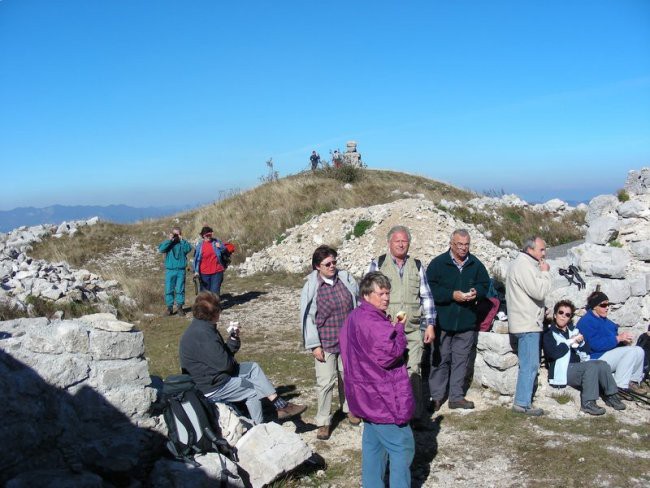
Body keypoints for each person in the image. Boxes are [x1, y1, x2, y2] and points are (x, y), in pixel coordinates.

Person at [179, 292, 307, 425]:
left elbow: (222, 356)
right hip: (211, 386)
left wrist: (233, 339)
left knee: (253, 368)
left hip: (214, 375)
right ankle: (259, 427)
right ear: (214, 313)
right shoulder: (204, 335)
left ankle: (280, 405)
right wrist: (230, 352)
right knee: (252, 390)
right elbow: (225, 364)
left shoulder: (202, 327)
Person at [340, 272, 415, 488]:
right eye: (381, 293)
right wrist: (399, 329)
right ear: (367, 294)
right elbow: (390, 354)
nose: (386, 298)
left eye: (388, 293)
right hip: (383, 397)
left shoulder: (354, 317)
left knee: (373, 447)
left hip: (363, 395)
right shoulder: (373, 322)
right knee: (403, 446)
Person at [368, 225, 436, 428]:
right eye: (397, 240)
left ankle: (415, 415)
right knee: (387, 371)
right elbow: (366, 296)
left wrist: (430, 324)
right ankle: (388, 411)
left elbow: (426, 297)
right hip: (386, 332)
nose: (400, 243)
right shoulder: (378, 264)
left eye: (404, 240)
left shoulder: (417, 265)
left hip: (413, 329)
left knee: (413, 370)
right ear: (389, 243)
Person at [426, 229, 489, 412]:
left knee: (461, 360)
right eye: (459, 244)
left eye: (466, 244)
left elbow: (485, 284)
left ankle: (456, 397)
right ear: (451, 244)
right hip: (443, 321)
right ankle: (436, 397)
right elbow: (430, 290)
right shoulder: (438, 264)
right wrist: (452, 295)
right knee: (440, 359)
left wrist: (477, 292)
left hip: (466, 321)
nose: (463, 248)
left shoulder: (476, 264)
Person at [300, 245, 359, 440]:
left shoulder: (345, 279)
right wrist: (314, 345)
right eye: (327, 263)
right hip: (325, 342)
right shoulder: (312, 287)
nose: (332, 266)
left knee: (348, 377)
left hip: (347, 341)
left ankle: (350, 409)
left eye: (334, 262)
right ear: (317, 266)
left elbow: (357, 304)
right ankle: (323, 422)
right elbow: (308, 317)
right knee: (325, 383)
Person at [542, 300, 626, 415]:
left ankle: (611, 395)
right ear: (555, 314)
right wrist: (570, 342)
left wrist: (581, 343)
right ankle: (588, 403)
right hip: (562, 369)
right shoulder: (549, 333)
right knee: (590, 367)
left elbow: (587, 350)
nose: (563, 316)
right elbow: (553, 353)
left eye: (567, 314)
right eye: (561, 313)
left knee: (601, 364)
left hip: (577, 366)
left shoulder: (573, 331)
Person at [505, 236, 552, 416]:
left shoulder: (522, 264)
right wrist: (546, 272)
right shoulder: (523, 265)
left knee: (529, 363)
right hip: (527, 323)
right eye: (541, 249)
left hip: (525, 321)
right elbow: (539, 291)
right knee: (530, 364)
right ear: (530, 249)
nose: (544, 253)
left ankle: (523, 401)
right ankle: (522, 403)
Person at [576, 291, 645, 393]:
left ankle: (633, 381)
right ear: (594, 306)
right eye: (603, 305)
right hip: (595, 357)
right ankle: (619, 385)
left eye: (608, 304)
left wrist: (624, 342)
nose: (607, 308)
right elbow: (594, 345)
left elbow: (614, 342)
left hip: (607, 354)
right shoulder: (586, 322)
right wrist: (617, 339)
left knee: (639, 350)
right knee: (631, 352)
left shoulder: (607, 322)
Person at [158, 226, 193, 316]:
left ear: (181, 234)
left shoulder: (182, 243)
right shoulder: (169, 243)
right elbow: (161, 249)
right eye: (175, 234)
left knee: (180, 289)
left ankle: (180, 307)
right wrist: (169, 240)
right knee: (169, 289)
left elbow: (188, 249)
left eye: (178, 234)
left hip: (180, 270)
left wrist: (182, 240)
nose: (176, 236)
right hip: (170, 270)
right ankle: (169, 308)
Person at [193, 226, 225, 296]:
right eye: (207, 235)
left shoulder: (216, 242)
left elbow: (225, 251)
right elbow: (196, 259)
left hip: (217, 271)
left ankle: (215, 306)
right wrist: (196, 271)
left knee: (215, 292)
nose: (209, 237)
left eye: (210, 235)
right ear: (203, 236)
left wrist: (221, 247)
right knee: (204, 293)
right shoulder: (199, 246)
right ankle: (205, 307)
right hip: (204, 273)